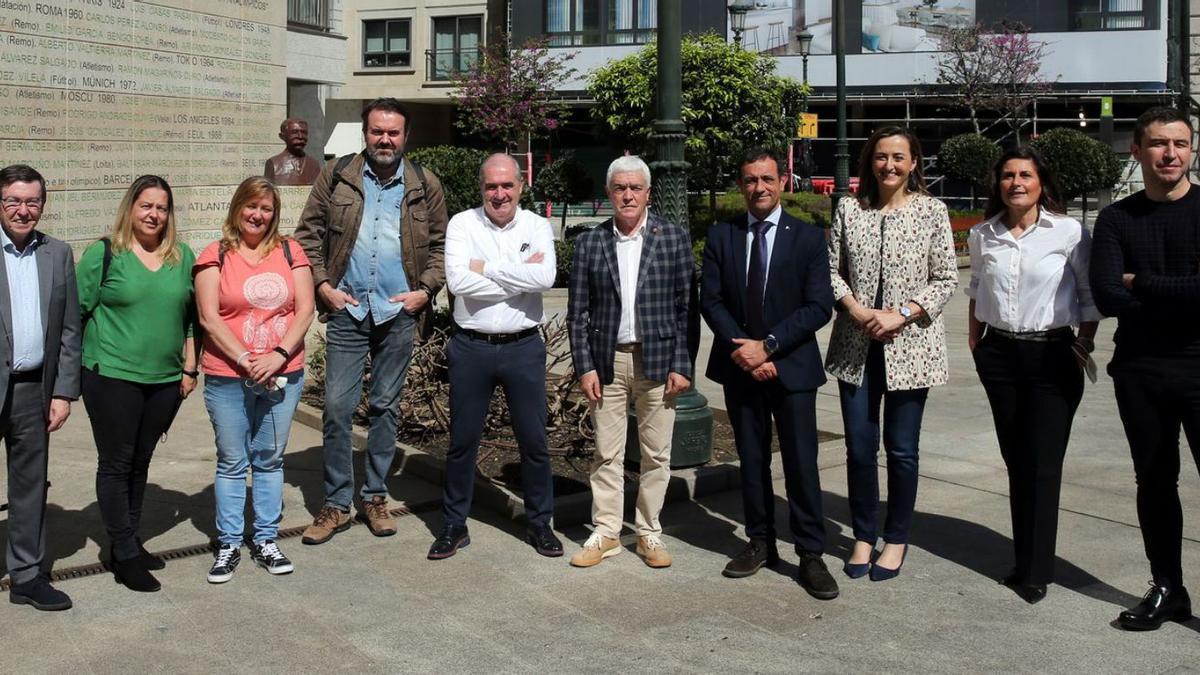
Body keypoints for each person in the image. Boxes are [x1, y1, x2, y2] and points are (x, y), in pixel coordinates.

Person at [294, 97, 447, 545]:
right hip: (349, 309)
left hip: (398, 312)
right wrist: (323, 285)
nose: (385, 139)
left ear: (405, 136)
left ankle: (375, 496)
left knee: (385, 407)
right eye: (377, 131)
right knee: (338, 408)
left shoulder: (424, 183)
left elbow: (441, 247)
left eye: (393, 132)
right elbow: (308, 235)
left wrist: (425, 291)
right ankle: (337, 503)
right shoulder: (337, 174)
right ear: (366, 134)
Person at [701, 148, 838, 599]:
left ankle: (811, 554)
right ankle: (760, 542)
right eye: (749, 180)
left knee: (801, 464)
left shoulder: (808, 238)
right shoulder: (722, 236)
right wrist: (745, 350)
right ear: (740, 186)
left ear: (782, 182)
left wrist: (771, 347)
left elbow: (818, 306)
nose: (758, 187)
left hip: (791, 366)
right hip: (740, 366)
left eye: (766, 179)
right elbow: (712, 301)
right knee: (752, 460)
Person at [825, 128, 957, 584]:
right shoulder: (849, 208)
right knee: (860, 449)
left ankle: (896, 537)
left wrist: (901, 313)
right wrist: (859, 311)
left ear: (914, 162)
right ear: (870, 162)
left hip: (910, 347)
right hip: (855, 346)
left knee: (901, 450)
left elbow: (945, 279)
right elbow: (831, 271)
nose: (889, 165)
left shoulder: (931, 212)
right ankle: (864, 533)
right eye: (881, 157)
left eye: (899, 157)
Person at [967, 148, 1099, 604]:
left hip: (1053, 357)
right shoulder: (984, 235)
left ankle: (1037, 570)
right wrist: (976, 342)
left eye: (1026, 174)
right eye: (1008, 175)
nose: (1016, 182)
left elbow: (1086, 292)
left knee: (1042, 464)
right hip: (999, 356)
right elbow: (976, 288)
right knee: (1016, 460)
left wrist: (1084, 342)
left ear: (1041, 181)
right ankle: (1023, 558)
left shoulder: (1068, 231)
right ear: (997, 183)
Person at [1091, 106, 1200, 630]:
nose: (1170, 154)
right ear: (1137, 151)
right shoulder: (1117, 218)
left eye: (1180, 143)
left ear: (1192, 148)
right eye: (1159, 144)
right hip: (1140, 372)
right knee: (1155, 481)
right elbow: (1107, 295)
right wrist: (1172, 293)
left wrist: (1142, 282)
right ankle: (1168, 587)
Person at [430, 153, 561, 560]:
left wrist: (485, 268)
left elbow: (545, 277)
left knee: (535, 442)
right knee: (462, 442)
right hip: (471, 347)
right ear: (481, 188)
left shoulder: (537, 225)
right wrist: (517, 273)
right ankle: (454, 524)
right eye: (491, 186)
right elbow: (458, 281)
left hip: (524, 346)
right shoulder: (462, 224)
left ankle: (540, 523)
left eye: (507, 185)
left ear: (521, 186)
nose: (499, 194)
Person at [566, 155, 693, 569]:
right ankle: (605, 532)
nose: (627, 195)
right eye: (620, 188)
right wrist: (583, 365)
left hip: (657, 361)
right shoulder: (589, 243)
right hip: (607, 362)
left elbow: (684, 309)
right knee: (607, 452)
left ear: (648, 194)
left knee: (657, 454)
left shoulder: (672, 239)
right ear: (608, 193)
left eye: (635, 188)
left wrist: (682, 365)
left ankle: (648, 533)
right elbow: (577, 313)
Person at [75, 175, 199, 593]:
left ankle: (128, 538)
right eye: (146, 205)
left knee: (140, 461)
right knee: (116, 462)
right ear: (130, 208)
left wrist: (189, 367)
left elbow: (189, 319)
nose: (154, 214)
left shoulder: (181, 256)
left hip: (164, 380)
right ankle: (123, 552)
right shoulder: (105, 254)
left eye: (162, 207)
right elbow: (74, 313)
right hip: (111, 376)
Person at [194, 177, 314, 583]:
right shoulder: (216, 254)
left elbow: (304, 310)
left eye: (266, 209)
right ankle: (229, 543)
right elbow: (209, 317)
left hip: (283, 375)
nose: (257, 215)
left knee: (268, 459)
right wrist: (247, 358)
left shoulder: (289, 250)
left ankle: (265, 539)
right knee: (232, 462)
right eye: (251, 206)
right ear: (237, 207)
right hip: (229, 374)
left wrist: (278, 356)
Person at [0, 164, 81, 611]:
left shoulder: (58, 253)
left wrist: (63, 392)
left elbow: (69, 330)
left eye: (32, 201)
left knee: (30, 486)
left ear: (43, 205)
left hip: (34, 390)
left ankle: (27, 575)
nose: (23, 210)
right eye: (13, 200)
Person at [263, 118, 322, 186]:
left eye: (304, 133)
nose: (300, 136)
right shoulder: (273, 164)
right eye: (294, 132)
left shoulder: (314, 164)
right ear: (282, 136)